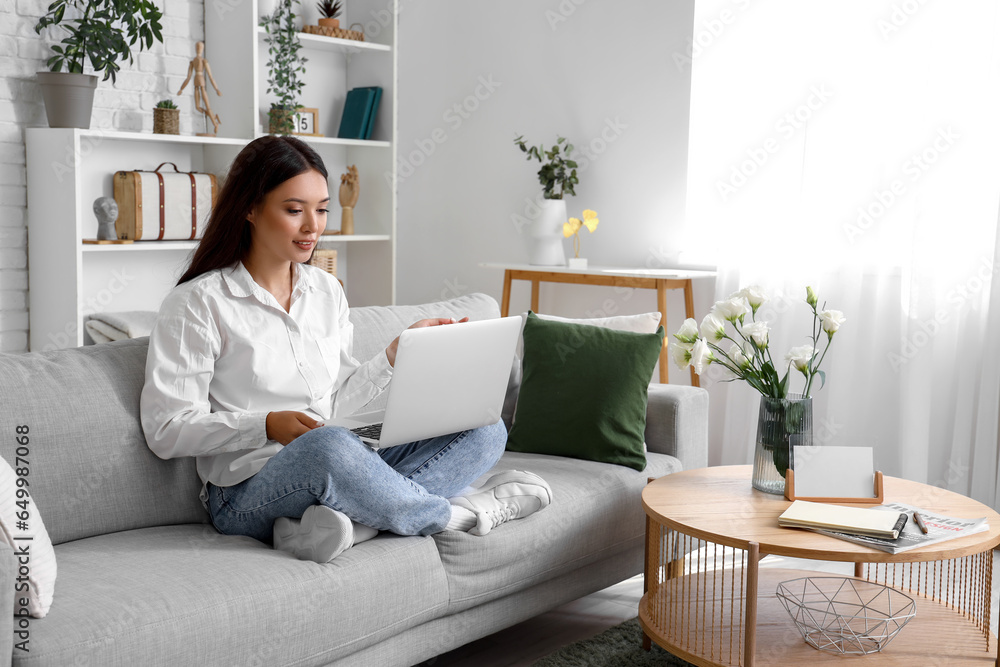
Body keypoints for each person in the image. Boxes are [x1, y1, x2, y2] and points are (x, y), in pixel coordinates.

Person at [140, 135, 552, 563]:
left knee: (484, 428)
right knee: (330, 449)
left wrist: (396, 354)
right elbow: (167, 430)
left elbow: (338, 402)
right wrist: (265, 424)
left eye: (321, 210)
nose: (312, 226)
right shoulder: (197, 303)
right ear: (249, 208)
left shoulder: (325, 290)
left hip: (341, 455)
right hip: (246, 490)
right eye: (294, 210)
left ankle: (351, 523)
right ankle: (450, 515)